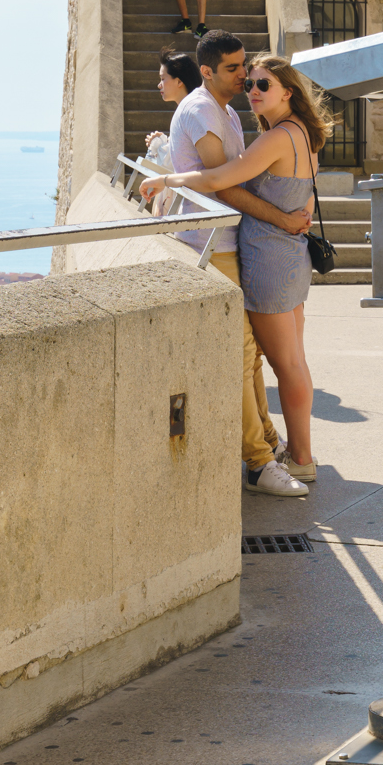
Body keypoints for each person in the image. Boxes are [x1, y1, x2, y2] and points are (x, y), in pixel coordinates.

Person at [143, 55, 331, 488]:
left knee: (286, 365)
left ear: (288, 91)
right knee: (291, 362)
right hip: (288, 257)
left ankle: (300, 458)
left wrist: (168, 180)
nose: (254, 91)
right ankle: (292, 449)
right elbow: (304, 196)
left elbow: (217, 180)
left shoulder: (277, 138)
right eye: (251, 85)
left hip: (270, 262)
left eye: (264, 84)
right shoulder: (300, 132)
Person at [142, 51, 203, 178]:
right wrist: (165, 142)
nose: (159, 85)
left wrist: (158, 145)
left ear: (179, 81)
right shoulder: (191, 109)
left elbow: (176, 164)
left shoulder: (190, 112)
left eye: (163, 79)